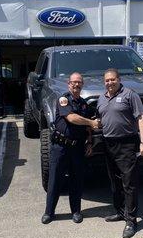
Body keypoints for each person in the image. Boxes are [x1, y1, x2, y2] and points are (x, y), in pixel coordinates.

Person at [97, 68, 143, 238]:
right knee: (115, 181)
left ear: (119, 79)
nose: (109, 82)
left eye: (112, 79)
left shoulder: (130, 94)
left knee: (129, 183)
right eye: (107, 80)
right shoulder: (101, 98)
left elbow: (141, 117)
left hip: (126, 143)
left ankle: (131, 221)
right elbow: (100, 119)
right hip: (108, 144)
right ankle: (120, 212)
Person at [41, 72, 99, 225]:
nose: (76, 85)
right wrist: (91, 122)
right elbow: (71, 118)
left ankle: (76, 211)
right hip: (60, 147)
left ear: (82, 85)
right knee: (55, 181)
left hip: (77, 148)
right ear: (69, 84)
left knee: (77, 180)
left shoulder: (84, 104)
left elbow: (88, 128)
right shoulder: (63, 99)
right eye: (74, 82)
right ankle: (49, 212)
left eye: (79, 82)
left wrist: (89, 142)